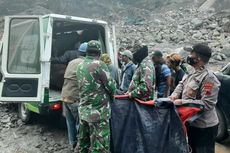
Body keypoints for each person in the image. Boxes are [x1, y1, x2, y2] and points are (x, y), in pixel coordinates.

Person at [170, 43, 220, 153]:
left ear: (198, 58)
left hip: (204, 127)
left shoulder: (209, 78)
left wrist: (182, 102)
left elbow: (207, 104)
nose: (189, 56)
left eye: (191, 53)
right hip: (191, 122)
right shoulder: (191, 71)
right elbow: (181, 84)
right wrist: (173, 96)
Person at [75, 40, 116, 153]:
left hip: (83, 111)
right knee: (100, 146)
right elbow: (111, 86)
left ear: (87, 51)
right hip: (99, 113)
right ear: (99, 52)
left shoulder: (79, 66)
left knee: (83, 143)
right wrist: (113, 97)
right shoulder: (99, 64)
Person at [61, 42, 87, 152]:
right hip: (75, 99)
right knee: (79, 124)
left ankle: (72, 145)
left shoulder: (72, 62)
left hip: (65, 96)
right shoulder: (85, 64)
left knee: (70, 122)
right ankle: (79, 148)